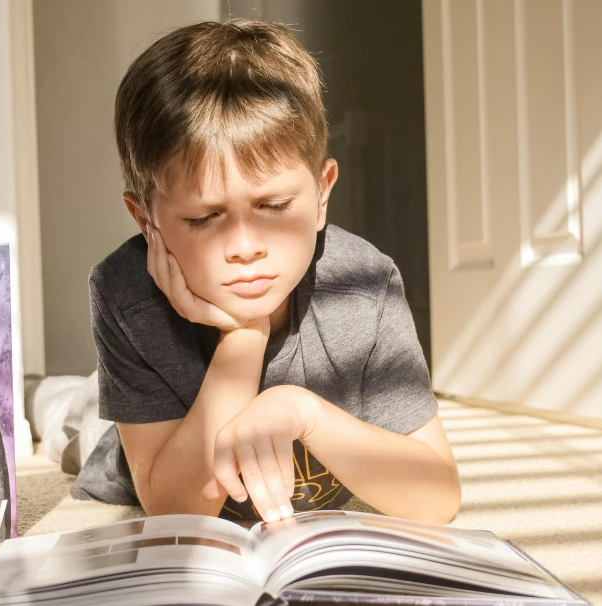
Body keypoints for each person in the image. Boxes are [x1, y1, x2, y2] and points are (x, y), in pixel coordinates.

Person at [71, 18, 461, 525]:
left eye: (274, 205)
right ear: (146, 220)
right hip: (136, 455)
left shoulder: (364, 285)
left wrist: (304, 411)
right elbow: (176, 511)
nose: (245, 247)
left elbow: (438, 498)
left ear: (322, 194)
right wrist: (244, 335)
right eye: (203, 218)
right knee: (76, 426)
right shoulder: (125, 293)